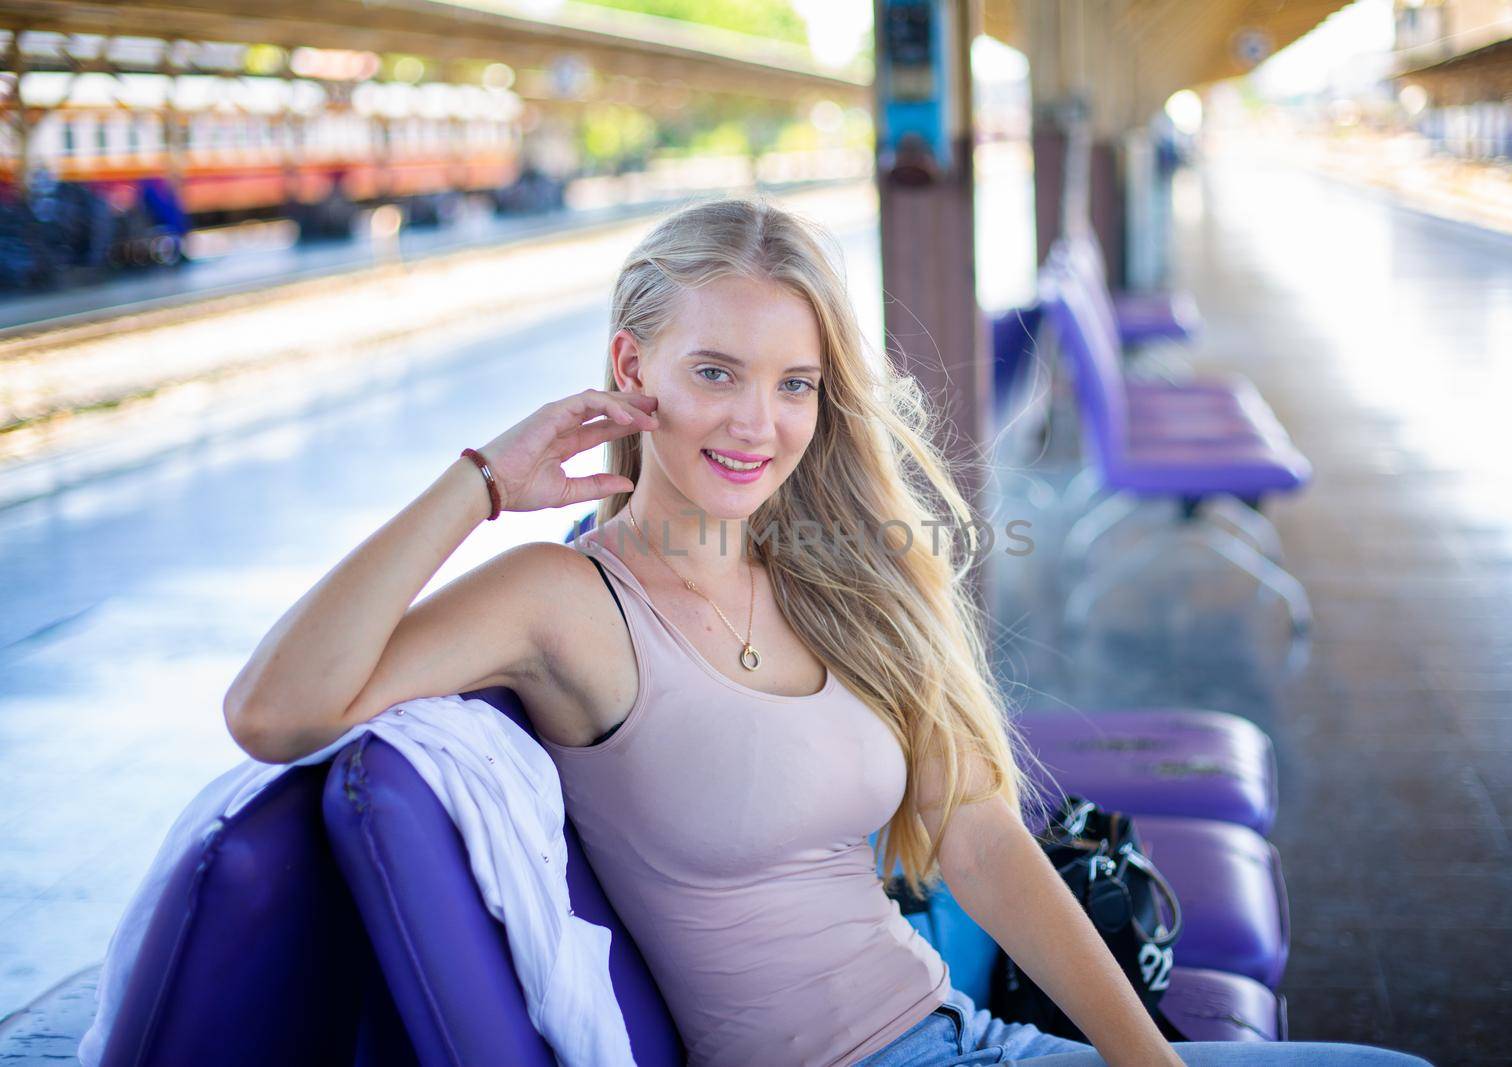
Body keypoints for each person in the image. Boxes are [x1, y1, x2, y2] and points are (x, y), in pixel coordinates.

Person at [223, 198, 1431, 1067]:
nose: (759, 422)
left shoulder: (835, 569)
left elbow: (975, 834)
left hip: (970, 1033)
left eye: (794, 382)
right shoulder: (563, 599)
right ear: (627, 368)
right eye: (715, 372)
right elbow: (276, 708)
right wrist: (483, 481)